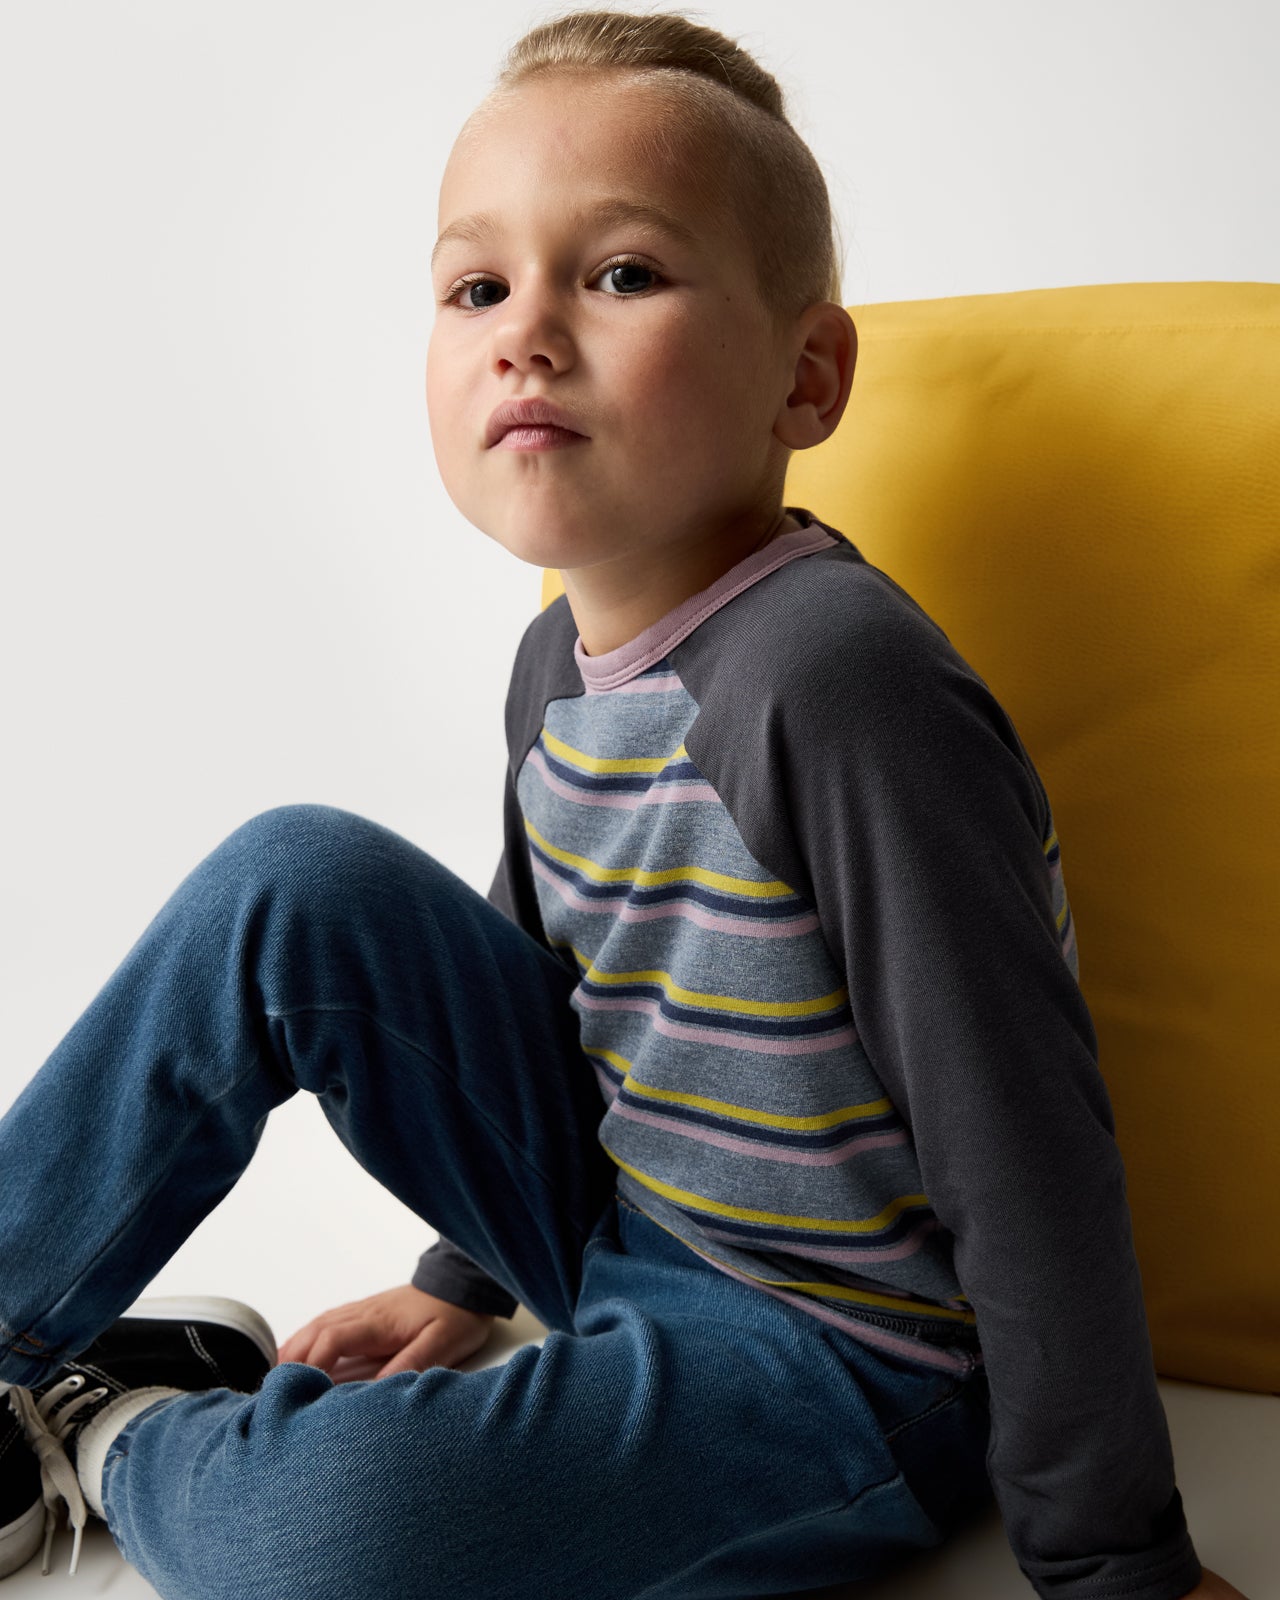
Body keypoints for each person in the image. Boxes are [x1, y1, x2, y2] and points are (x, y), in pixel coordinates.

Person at [0, 9, 1249, 1599]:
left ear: (806, 376)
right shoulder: (554, 659)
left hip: (843, 1355)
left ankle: (109, 1424)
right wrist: (462, 1277)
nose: (527, 330)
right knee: (290, 878)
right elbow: (549, 979)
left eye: (621, 275)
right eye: (476, 288)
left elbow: (1024, 1141)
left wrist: (1115, 1558)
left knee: (330, 1539)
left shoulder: (832, 679)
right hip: (625, 1216)